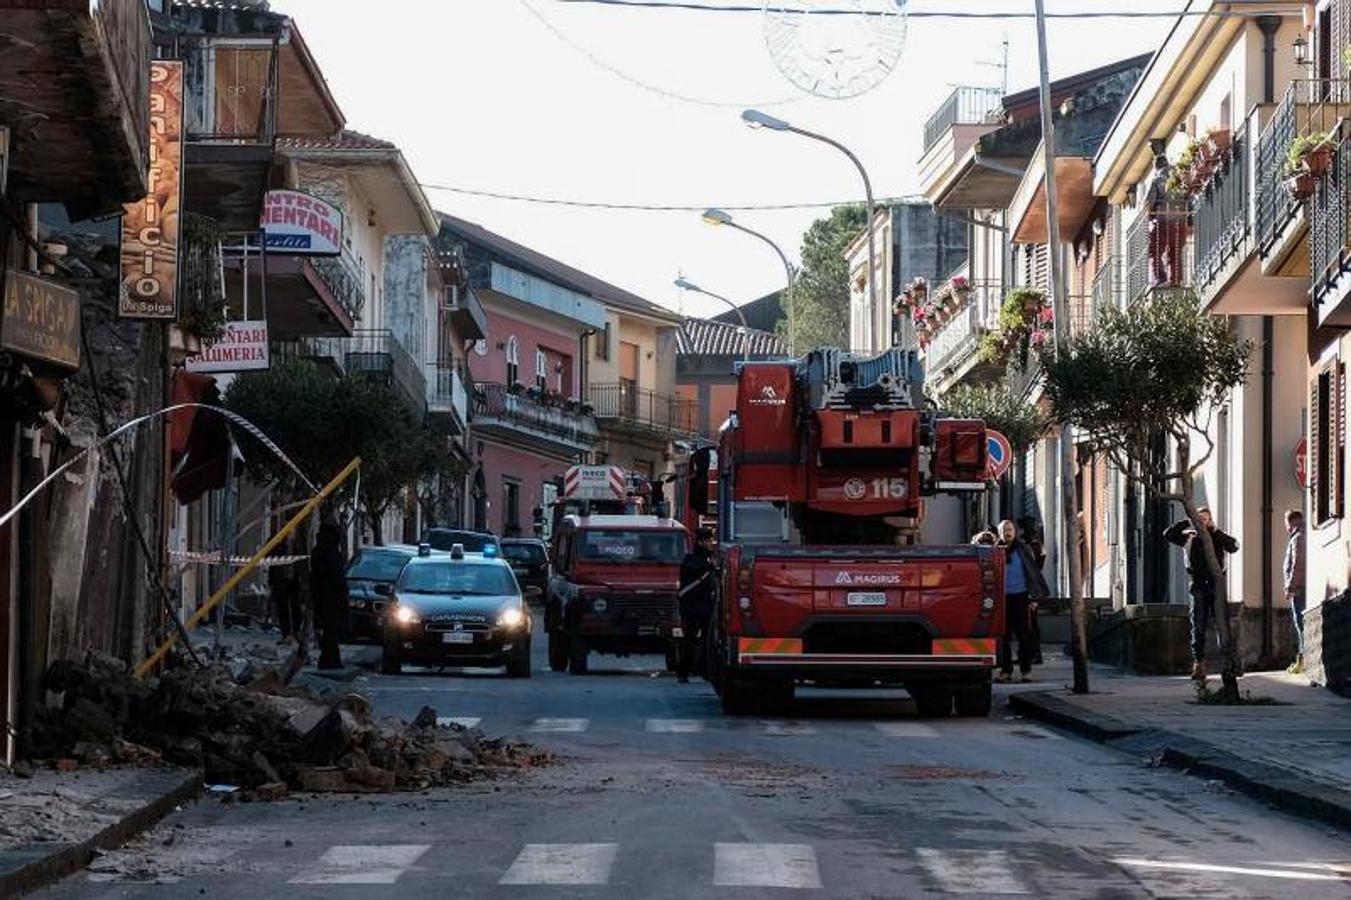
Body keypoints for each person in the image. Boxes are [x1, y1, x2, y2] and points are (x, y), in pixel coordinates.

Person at [1164, 506, 1239, 681]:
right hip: (1197, 585)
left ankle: (1230, 664)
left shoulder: (1217, 536)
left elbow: (1234, 546)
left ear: (1210, 519)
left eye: (1205, 518)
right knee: (1198, 626)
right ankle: (1199, 664)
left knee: (1223, 625)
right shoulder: (1189, 537)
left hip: (1216, 587)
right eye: (1200, 518)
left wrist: (1216, 530)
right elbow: (1168, 534)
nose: (1203, 522)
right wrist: (1187, 522)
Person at [996, 519, 1050, 683]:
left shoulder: (1023, 549)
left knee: (1024, 635)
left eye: (1010, 528)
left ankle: (1026, 671)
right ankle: (1006, 671)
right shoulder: (996, 551)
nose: (1008, 531)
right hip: (1003, 598)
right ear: (1000, 533)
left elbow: (1033, 573)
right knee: (1003, 636)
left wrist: (1034, 598)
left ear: (1015, 531)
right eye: (1004, 529)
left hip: (1022, 597)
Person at [676, 527, 717, 684]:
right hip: (692, 608)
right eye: (708, 541)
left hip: (707, 606)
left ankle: (705, 670)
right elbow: (696, 574)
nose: (711, 543)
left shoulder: (710, 559)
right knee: (689, 640)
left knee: (708, 641)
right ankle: (684, 671)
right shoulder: (690, 560)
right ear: (700, 542)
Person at [310, 518, 349, 670]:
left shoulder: (318, 551)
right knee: (331, 630)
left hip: (321, 597)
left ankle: (329, 659)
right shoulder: (331, 553)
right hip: (331, 598)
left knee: (328, 630)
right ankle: (330, 660)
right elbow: (337, 577)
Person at [1284, 509, 1307, 674]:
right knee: (1301, 626)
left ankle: (1303, 661)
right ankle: (1302, 660)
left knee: (1301, 625)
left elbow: (1297, 565)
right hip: (1302, 587)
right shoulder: (1302, 536)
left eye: (1286, 522)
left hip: (1299, 589)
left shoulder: (1297, 538)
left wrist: (1291, 588)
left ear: (1290, 522)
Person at [268, 537, 303, 646]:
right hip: (281, 579)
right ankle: (287, 634)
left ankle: (296, 632)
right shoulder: (277, 542)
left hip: (295, 580)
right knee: (282, 608)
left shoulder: (299, 543)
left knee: (296, 607)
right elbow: (270, 560)